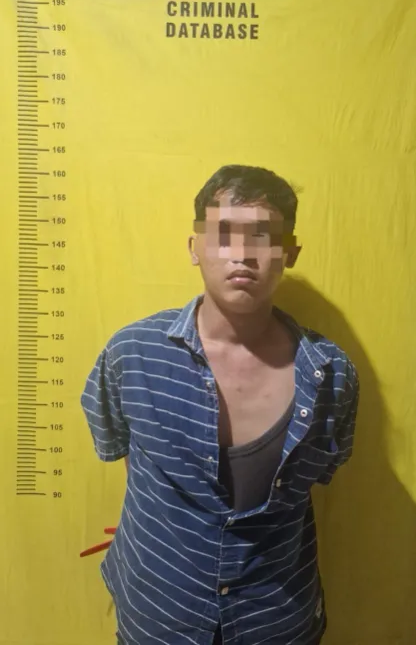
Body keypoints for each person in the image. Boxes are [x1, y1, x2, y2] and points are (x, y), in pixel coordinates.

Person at [81, 164, 359, 645]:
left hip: (275, 617)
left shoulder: (332, 375)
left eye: (263, 236)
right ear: (195, 248)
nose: (243, 254)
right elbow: (129, 464)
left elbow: (320, 475)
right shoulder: (131, 355)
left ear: (290, 253)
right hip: (159, 611)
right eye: (223, 233)